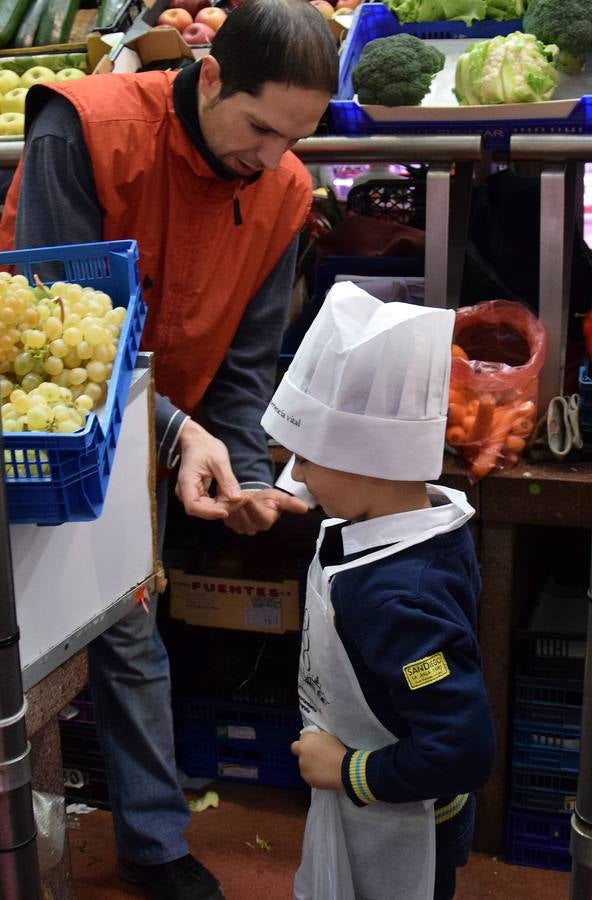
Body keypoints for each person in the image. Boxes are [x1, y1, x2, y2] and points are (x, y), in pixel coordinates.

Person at [0, 2, 338, 898]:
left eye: (294, 139)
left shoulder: (285, 190)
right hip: (35, 427)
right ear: (213, 75)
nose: (270, 159)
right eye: (261, 128)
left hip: (150, 429)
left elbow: (246, 363)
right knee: (27, 653)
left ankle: (153, 844)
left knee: (131, 622)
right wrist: (179, 431)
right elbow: (62, 321)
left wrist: (247, 475)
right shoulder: (88, 128)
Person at [261, 282, 496, 900]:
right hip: (362, 795)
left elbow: (461, 751)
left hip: (405, 816)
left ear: (366, 460)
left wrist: (346, 769)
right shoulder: (416, 516)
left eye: (306, 459)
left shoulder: (400, 602)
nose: (297, 476)